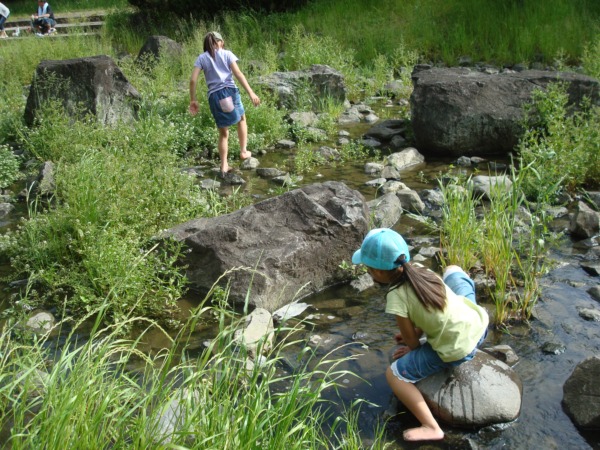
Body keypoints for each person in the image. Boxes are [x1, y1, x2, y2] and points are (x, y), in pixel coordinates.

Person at [352, 228, 489, 441]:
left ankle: (431, 427)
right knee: (453, 270)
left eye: (368, 269)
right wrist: (417, 331)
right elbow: (432, 307)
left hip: (460, 349)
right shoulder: (420, 270)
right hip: (478, 322)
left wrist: (412, 347)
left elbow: (412, 342)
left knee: (394, 375)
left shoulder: (396, 296)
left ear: (378, 272)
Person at [189, 31, 260, 177]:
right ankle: (243, 151)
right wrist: (251, 92)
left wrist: (193, 99)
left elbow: (193, 80)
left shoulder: (202, 58)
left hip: (214, 96)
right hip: (229, 92)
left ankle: (224, 165)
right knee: (241, 119)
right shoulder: (227, 54)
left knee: (223, 132)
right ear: (220, 42)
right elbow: (238, 74)